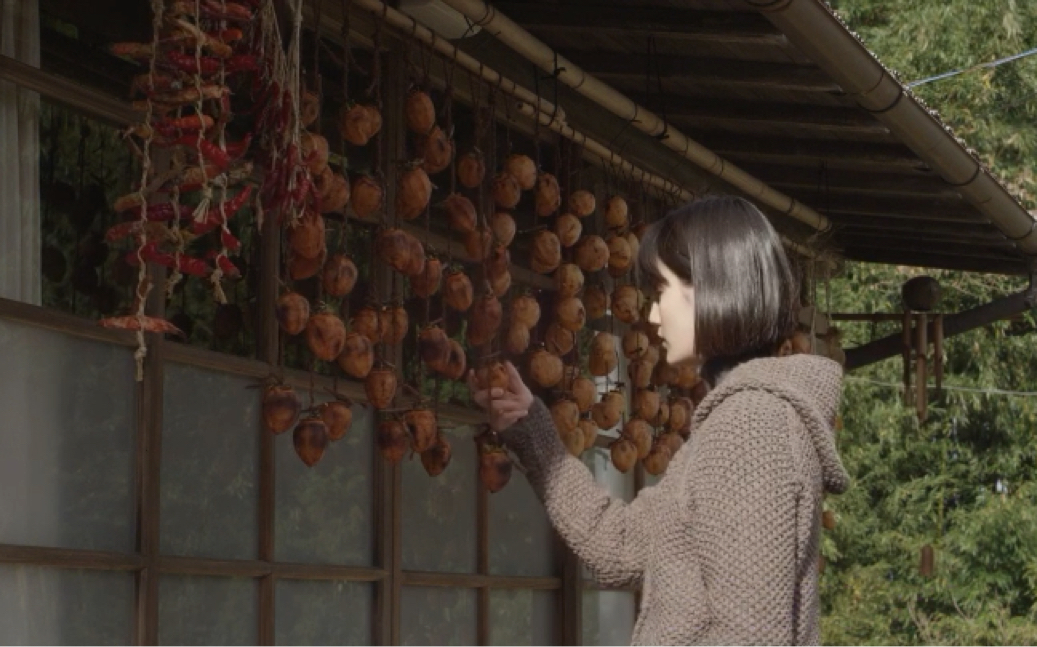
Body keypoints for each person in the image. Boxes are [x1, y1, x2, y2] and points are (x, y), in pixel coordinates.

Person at [468, 195, 850, 645]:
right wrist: (532, 430)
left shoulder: (752, 426)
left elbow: (751, 637)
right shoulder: (740, 418)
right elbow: (623, 546)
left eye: (663, 292)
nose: (652, 314)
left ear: (711, 290)